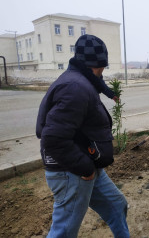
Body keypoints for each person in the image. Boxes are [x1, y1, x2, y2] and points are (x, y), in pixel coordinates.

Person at [36, 34, 130, 237]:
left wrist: (108, 92)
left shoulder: (82, 79)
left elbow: (97, 84)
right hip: (72, 171)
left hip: (87, 164)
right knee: (64, 231)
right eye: (103, 66)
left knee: (116, 205)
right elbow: (52, 138)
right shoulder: (75, 87)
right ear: (99, 64)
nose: (103, 71)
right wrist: (85, 168)